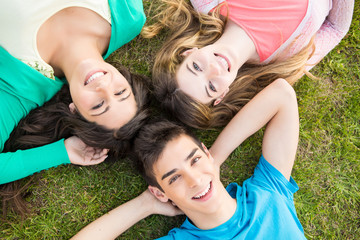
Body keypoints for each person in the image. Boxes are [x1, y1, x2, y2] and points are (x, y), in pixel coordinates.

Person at [72, 78, 305, 239]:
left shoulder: (268, 193)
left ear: (205, 152)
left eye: (194, 160)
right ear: (160, 192)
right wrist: (145, 205)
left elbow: (282, 94)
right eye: (174, 179)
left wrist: (215, 158)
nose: (194, 180)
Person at [0, 0, 149, 185]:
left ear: (74, 110)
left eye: (99, 105)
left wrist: (62, 152)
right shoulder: (128, 18)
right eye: (120, 92)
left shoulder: (21, 88)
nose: (104, 87)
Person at [145, 0, 354, 129]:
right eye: (211, 86)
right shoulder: (288, 61)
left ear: (188, 52)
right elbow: (336, 28)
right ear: (222, 95)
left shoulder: (208, 4)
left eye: (197, 67)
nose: (214, 69)